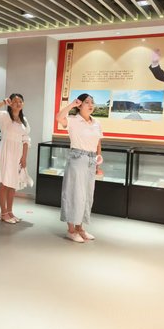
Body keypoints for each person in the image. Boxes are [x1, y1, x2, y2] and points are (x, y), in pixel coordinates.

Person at [55, 93, 103, 243]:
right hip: (77, 158)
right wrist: (71, 105)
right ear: (80, 105)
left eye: (92, 102)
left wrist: (98, 159)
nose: (91, 105)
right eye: (87, 102)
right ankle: (71, 230)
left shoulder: (96, 122)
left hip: (91, 159)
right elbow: (58, 117)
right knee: (73, 193)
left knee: (87, 195)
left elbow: (98, 142)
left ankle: (80, 228)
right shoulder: (73, 120)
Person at [0, 93, 32, 224]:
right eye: (15, 101)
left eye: (20, 101)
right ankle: (3, 212)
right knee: (4, 183)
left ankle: (10, 211)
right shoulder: (4, 116)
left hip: (18, 153)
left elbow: (26, 140)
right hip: (6, 151)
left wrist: (24, 157)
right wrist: (3, 102)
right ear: (10, 103)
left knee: (13, 184)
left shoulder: (24, 120)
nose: (18, 103)